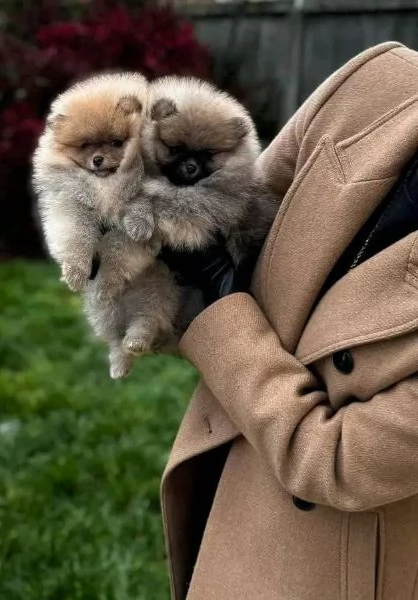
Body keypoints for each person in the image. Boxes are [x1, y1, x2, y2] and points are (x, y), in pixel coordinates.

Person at [159, 42, 418, 600]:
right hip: (233, 477)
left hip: (334, 562)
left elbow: (337, 461)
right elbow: (243, 206)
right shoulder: (377, 83)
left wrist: (217, 315)